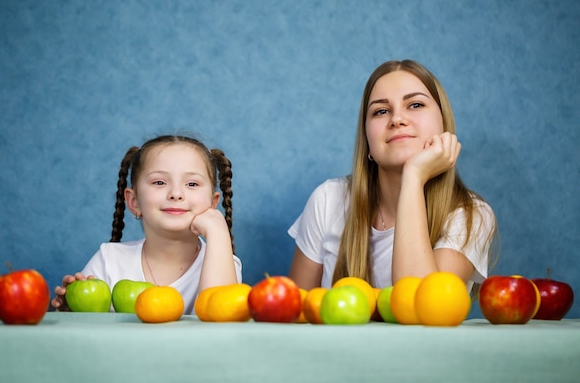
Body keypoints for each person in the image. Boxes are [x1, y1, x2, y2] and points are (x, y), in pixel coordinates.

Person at [288, 59, 497, 295]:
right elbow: (296, 317)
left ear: (444, 124)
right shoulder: (328, 200)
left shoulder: (470, 215)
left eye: (416, 105)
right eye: (381, 111)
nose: (397, 119)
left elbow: (421, 304)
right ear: (367, 142)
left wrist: (414, 177)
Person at [51, 134, 242, 314]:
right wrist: (73, 309)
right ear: (134, 202)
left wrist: (218, 231)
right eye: (159, 182)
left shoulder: (222, 262)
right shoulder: (109, 260)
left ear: (212, 203)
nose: (176, 193)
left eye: (192, 184)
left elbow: (220, 321)